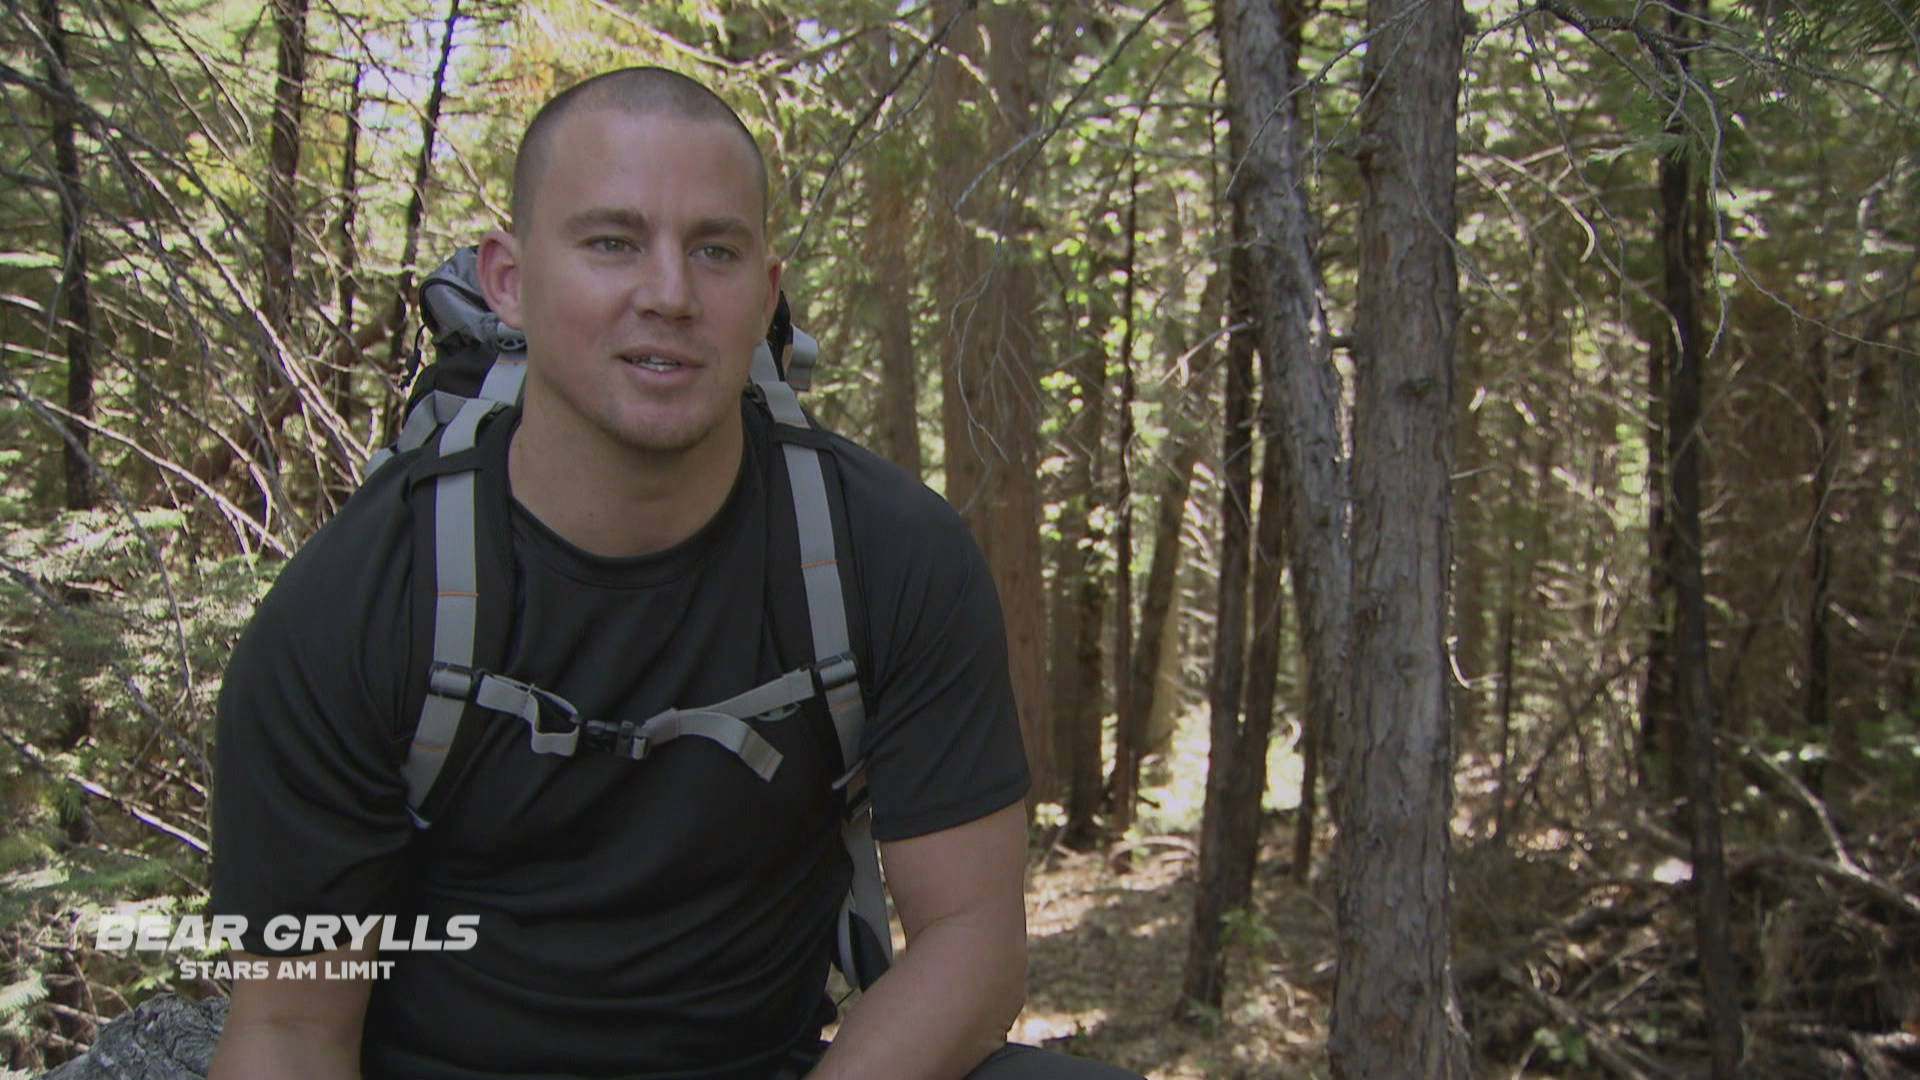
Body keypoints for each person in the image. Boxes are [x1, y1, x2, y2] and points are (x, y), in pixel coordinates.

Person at [207, 67, 1142, 1080]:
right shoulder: (361, 602)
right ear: (508, 281)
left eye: (716, 250)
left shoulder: (884, 556)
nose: (669, 294)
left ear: (767, 291)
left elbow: (972, 948)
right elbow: (290, 1032)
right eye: (612, 242)